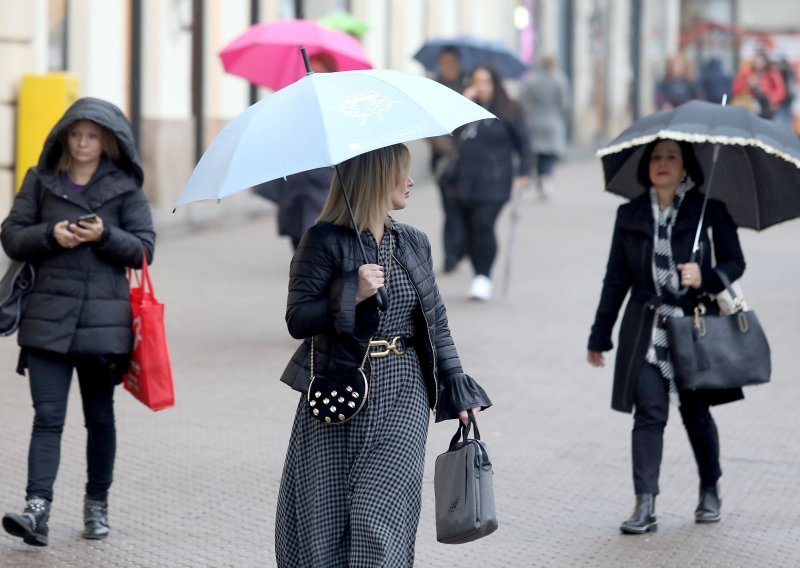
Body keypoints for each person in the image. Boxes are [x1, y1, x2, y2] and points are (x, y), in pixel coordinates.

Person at [274, 143, 491, 566]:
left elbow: (436, 321)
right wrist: (348, 292)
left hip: (402, 388)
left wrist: (456, 388)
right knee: (324, 520)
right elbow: (298, 319)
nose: (410, 181)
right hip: (337, 390)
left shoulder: (413, 242)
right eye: (400, 172)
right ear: (374, 178)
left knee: (382, 517)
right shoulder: (321, 241)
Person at [1, 97, 156, 546]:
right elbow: (11, 235)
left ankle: (96, 503)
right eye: (76, 134)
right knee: (47, 418)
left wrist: (104, 235)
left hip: (103, 326)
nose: (83, 143)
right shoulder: (40, 180)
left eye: (91, 136)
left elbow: (145, 249)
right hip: (46, 321)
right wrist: (50, 234)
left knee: (99, 418)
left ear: (106, 141)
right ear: (64, 136)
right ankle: (37, 509)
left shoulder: (124, 187)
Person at [587, 138, 745, 534]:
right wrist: (599, 335)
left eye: (671, 157)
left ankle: (710, 489)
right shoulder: (630, 214)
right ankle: (646, 503)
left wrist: (704, 277)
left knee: (696, 415)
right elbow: (615, 279)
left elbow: (734, 261)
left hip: (692, 326)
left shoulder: (709, 210)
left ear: (685, 165)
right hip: (645, 326)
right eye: (656, 157)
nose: (662, 163)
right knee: (649, 414)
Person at [449, 64, 531, 300]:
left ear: (495, 84)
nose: (481, 87)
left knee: (484, 225)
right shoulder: (465, 109)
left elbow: (524, 143)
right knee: (469, 229)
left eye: (486, 82)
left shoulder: (510, 110)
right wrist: (461, 103)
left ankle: (483, 277)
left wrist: (525, 172)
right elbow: (450, 137)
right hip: (465, 180)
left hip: (496, 182)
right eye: (476, 81)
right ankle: (478, 274)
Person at [253, 53, 337, 250]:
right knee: (297, 233)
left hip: (322, 182)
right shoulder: (293, 102)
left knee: (318, 235)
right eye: (311, 69)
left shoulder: (333, 103)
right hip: (295, 182)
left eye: (320, 69)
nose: (313, 74)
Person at [427, 46, 467, 273]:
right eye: (443, 62)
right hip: (442, 160)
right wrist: (437, 142)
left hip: (466, 159)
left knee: (463, 207)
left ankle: (461, 247)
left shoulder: (468, 86)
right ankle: (451, 254)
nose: (447, 66)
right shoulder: (433, 87)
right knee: (449, 207)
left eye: (450, 62)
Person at [518, 54, 572, 199]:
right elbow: (564, 104)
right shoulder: (559, 80)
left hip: (534, 121)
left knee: (537, 153)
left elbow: (523, 101)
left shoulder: (531, 80)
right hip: (552, 121)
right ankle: (546, 177)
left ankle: (540, 176)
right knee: (549, 154)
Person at [732, 51, 786, 119]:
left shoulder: (772, 73)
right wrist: (748, 84)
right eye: (756, 62)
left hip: (768, 106)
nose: (758, 65)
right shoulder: (748, 73)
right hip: (751, 104)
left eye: (760, 62)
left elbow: (781, 91)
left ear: (765, 62)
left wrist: (767, 94)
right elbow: (736, 89)